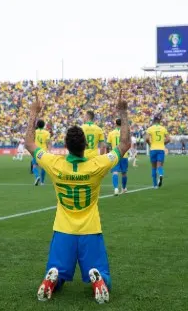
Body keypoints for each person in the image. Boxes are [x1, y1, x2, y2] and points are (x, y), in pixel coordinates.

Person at [26, 90, 130, 304]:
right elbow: (125, 145)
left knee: (58, 271)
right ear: (85, 146)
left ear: (66, 146)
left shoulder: (55, 164)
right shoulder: (97, 165)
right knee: (102, 274)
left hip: (63, 230)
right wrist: (123, 112)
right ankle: (98, 280)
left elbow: (29, 144)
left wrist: (33, 113)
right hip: (90, 231)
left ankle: (52, 278)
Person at [146, 116, 169, 188]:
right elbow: (168, 139)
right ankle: (161, 175)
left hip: (153, 149)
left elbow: (146, 138)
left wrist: (150, 144)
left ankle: (155, 185)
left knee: (153, 167)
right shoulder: (163, 129)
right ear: (159, 121)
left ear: (153, 121)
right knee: (160, 165)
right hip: (161, 149)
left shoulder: (150, 129)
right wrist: (163, 144)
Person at [107, 119, 129, 195]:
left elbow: (108, 145)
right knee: (124, 173)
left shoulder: (111, 133)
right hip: (124, 154)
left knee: (115, 172)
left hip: (114, 154)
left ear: (115, 124)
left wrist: (108, 153)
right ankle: (123, 188)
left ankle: (116, 188)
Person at [33, 120, 51, 186]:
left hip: (35, 151)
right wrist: (49, 151)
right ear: (44, 125)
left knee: (34, 166)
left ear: (37, 125)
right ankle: (42, 182)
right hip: (43, 152)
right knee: (43, 167)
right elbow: (48, 143)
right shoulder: (47, 133)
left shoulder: (34, 132)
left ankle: (37, 176)